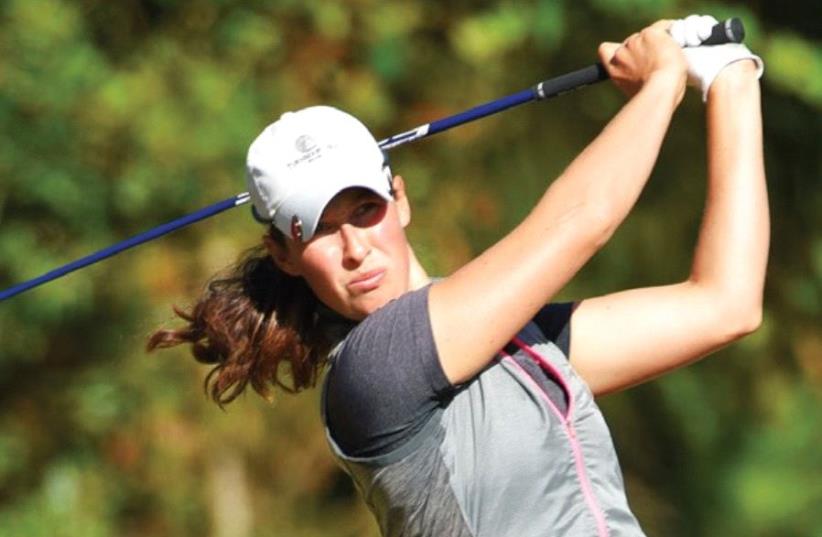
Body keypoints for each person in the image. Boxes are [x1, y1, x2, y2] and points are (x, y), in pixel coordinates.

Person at [148, 16, 768, 537]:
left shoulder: (526, 351)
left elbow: (725, 304)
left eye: (365, 209)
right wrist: (661, 83)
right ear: (284, 253)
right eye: (321, 230)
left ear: (400, 199)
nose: (357, 248)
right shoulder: (374, 373)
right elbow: (582, 221)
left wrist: (730, 79)